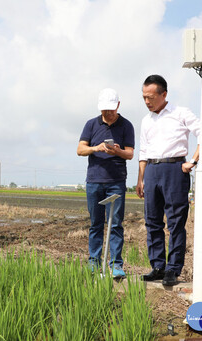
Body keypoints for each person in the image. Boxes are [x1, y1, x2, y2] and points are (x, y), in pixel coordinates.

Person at [136, 75, 200, 286]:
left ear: (164, 94)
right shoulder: (146, 120)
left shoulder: (181, 113)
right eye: (144, 97)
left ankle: (173, 268)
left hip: (175, 168)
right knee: (152, 221)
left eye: (151, 97)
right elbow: (143, 150)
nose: (147, 102)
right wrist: (141, 178)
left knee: (175, 222)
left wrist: (192, 161)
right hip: (152, 170)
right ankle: (157, 266)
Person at [77, 88, 135, 279]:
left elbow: (130, 154)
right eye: (104, 110)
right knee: (95, 223)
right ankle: (93, 262)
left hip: (116, 181)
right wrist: (96, 148)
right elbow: (80, 149)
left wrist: (116, 151)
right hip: (94, 181)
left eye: (110, 109)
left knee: (116, 224)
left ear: (118, 106)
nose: (107, 113)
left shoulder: (126, 126)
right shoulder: (91, 124)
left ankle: (116, 264)